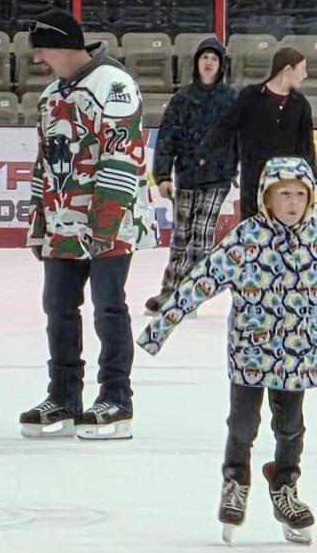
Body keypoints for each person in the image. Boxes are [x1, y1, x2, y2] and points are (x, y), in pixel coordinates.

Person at [138, 157, 317, 546]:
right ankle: (235, 480)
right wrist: (160, 327)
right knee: (242, 425)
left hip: (297, 357)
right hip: (250, 354)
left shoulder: (315, 239)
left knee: (291, 428)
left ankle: (285, 484)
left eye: (300, 195)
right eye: (283, 194)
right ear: (266, 197)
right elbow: (201, 280)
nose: (292, 202)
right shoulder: (246, 237)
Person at [20, 8, 157, 440]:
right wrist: (40, 221)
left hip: (108, 224)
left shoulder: (113, 86)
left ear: (61, 46)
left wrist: (104, 223)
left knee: (108, 308)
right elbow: (44, 166)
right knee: (58, 309)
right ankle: (63, 395)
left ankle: (116, 398)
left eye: (42, 50)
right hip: (63, 223)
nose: (39, 59)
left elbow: (122, 157)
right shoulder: (50, 96)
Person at [145, 37, 239, 314]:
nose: (209, 62)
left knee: (201, 237)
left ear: (221, 65)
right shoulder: (182, 99)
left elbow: (241, 137)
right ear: (196, 63)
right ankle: (169, 291)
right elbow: (167, 139)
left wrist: (238, 164)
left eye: (214, 58)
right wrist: (163, 175)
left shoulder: (231, 99)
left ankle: (190, 293)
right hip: (186, 175)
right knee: (181, 237)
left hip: (218, 177)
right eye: (204, 57)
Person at [201, 46, 315, 220]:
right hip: (254, 182)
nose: (305, 75)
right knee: (253, 230)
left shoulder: (301, 105)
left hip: (288, 184)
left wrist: (312, 178)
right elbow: (225, 128)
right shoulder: (250, 97)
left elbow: (306, 147)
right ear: (287, 70)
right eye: (302, 69)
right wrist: (205, 155)